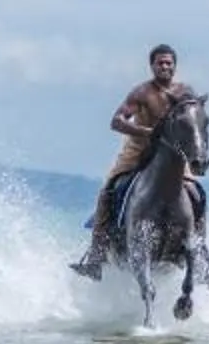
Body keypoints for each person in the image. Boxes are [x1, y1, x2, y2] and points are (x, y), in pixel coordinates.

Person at [70, 44, 189, 279]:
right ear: (152, 66)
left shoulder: (185, 93)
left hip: (173, 156)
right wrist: (148, 132)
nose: (165, 66)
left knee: (196, 193)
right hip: (138, 152)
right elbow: (116, 121)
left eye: (169, 63)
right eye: (160, 63)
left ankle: (201, 253)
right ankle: (96, 255)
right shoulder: (141, 93)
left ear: (174, 66)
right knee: (109, 190)